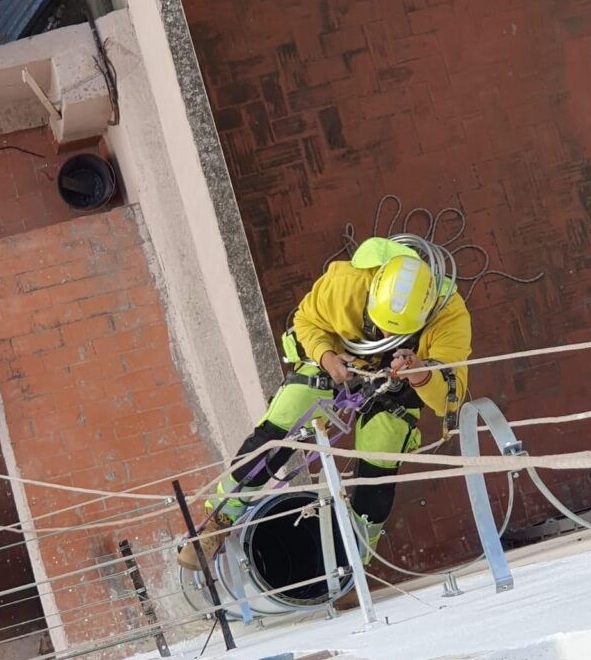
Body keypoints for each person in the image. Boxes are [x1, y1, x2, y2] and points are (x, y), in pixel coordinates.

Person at [177, 235, 472, 572]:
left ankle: (353, 561)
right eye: (378, 326)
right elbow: (306, 321)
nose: (383, 336)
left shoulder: (449, 316)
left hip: (398, 386)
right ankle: (218, 520)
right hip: (334, 361)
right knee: (278, 428)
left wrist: (419, 374)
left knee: (379, 466)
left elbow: (449, 398)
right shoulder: (347, 282)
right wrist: (326, 356)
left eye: (394, 333)